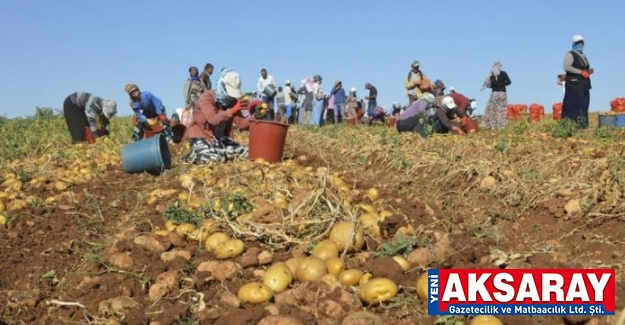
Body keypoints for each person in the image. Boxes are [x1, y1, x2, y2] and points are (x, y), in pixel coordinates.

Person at [183, 68, 250, 164]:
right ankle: (193, 154)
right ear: (222, 86)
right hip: (202, 136)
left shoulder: (232, 102)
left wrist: (255, 116)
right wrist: (232, 111)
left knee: (246, 153)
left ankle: (219, 152)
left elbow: (241, 124)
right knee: (214, 159)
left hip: (219, 138)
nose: (231, 97)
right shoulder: (206, 98)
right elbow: (213, 119)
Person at [562, 34, 593, 128]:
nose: (580, 45)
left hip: (584, 84)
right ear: (573, 44)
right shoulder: (570, 54)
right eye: (578, 43)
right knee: (575, 104)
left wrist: (588, 72)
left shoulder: (583, 56)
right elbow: (567, 67)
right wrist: (580, 72)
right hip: (574, 84)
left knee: (584, 104)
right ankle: (571, 125)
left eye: (581, 43)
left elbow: (584, 68)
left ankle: (583, 125)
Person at [480, 61, 511, 130]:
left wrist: (494, 85)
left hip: (494, 94)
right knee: (502, 109)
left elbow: (488, 85)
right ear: (500, 66)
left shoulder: (492, 75)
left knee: (493, 109)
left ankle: (492, 126)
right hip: (502, 93)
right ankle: (502, 126)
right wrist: (503, 84)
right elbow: (509, 82)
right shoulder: (504, 73)